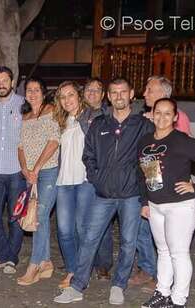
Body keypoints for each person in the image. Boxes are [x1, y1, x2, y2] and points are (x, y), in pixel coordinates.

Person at [54, 77, 154, 305]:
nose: (119, 96)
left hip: (132, 195)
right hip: (103, 194)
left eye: (123, 92)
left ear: (131, 95)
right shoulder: (100, 124)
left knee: (129, 242)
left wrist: (150, 195)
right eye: (114, 92)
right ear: (108, 96)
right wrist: (97, 179)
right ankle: (77, 285)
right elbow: (88, 155)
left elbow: (151, 160)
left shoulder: (143, 125)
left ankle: (119, 285)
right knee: (89, 238)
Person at [138, 98, 195, 308]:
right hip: (156, 206)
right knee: (163, 251)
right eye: (158, 112)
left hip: (181, 206)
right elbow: (145, 175)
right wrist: (145, 201)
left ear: (175, 117)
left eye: (167, 114)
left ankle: (178, 299)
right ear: (152, 113)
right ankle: (162, 292)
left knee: (179, 253)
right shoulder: (146, 141)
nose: (162, 117)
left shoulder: (181, 140)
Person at [132, 75, 186, 292]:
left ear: (163, 94)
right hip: (150, 180)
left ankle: (166, 279)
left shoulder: (177, 118)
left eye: (149, 89)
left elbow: (182, 150)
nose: (145, 93)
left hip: (169, 189)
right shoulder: (145, 117)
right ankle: (148, 268)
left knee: (168, 237)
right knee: (143, 227)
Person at [53, 81, 100, 289]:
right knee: (64, 229)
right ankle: (72, 270)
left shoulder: (92, 118)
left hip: (85, 181)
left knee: (82, 228)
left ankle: (81, 273)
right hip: (64, 181)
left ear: (78, 95)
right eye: (62, 97)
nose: (67, 100)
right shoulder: (61, 121)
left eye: (70, 95)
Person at [15, 77, 60, 286]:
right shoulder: (25, 117)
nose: (32, 93)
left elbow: (53, 141)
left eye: (36, 90)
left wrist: (37, 168)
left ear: (44, 92)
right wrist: (25, 169)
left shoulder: (50, 111)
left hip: (48, 171)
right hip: (31, 175)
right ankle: (46, 262)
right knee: (34, 214)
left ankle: (33, 265)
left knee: (40, 214)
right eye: (29, 90)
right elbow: (21, 147)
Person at [0, 66, 27, 274]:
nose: (1, 84)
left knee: (15, 217)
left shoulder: (23, 104)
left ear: (12, 82)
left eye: (5, 80)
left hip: (17, 171)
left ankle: (10, 258)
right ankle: (3, 253)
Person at [80, 78, 113, 280]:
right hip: (80, 176)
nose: (91, 93)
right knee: (83, 222)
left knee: (103, 222)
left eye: (96, 90)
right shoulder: (79, 114)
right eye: (88, 89)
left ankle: (103, 264)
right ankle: (85, 261)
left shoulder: (108, 117)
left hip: (100, 175)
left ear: (103, 95)